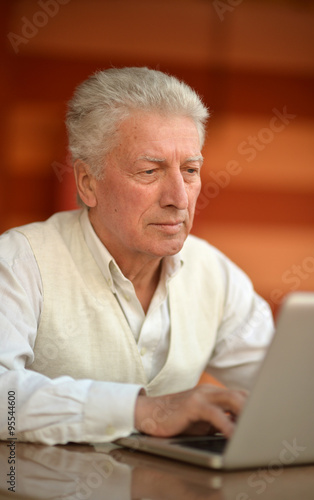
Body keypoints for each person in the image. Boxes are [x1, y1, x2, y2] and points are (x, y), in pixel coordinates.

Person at [0, 67, 274, 445]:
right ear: (87, 183)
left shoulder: (215, 274)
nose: (178, 198)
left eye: (191, 170)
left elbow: (286, 390)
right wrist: (142, 411)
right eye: (150, 170)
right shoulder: (18, 262)